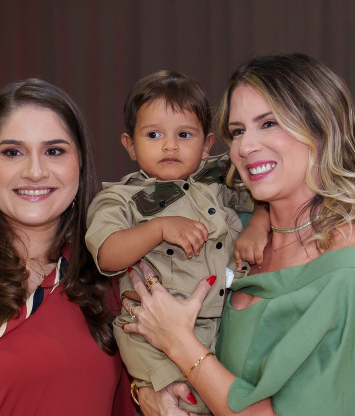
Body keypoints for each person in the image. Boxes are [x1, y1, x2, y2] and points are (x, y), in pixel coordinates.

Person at [123, 53, 355, 415]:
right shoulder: (231, 233)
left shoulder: (351, 268)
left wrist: (178, 342)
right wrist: (147, 390)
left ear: (321, 131)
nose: (244, 147)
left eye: (269, 123)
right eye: (238, 131)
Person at [0, 79, 135, 416]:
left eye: (54, 151)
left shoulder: (111, 272)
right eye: (13, 152)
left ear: (80, 161)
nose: (34, 172)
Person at [85, 70, 269, 414]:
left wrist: (258, 224)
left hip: (223, 324)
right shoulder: (121, 198)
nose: (170, 145)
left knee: (233, 396)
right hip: (152, 337)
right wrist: (157, 229)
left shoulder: (218, 179)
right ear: (130, 145)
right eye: (154, 134)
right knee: (182, 403)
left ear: (206, 144)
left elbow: (265, 195)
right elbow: (107, 253)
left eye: (184, 134)